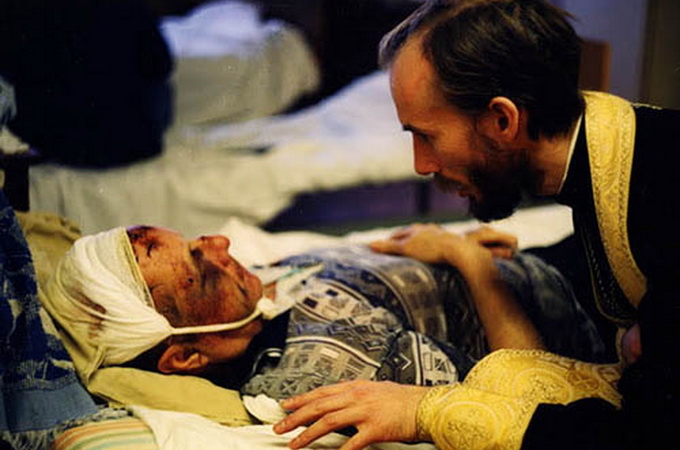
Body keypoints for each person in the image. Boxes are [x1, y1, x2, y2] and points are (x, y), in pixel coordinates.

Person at [272, 0, 680, 449]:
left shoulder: (664, 192)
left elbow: (647, 434)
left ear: (502, 120)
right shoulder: (613, 162)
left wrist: (424, 411)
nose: (421, 165)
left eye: (426, 135)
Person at [41, 224, 605, 415]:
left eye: (195, 240)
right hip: (588, 312)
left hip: (527, 264)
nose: (221, 244)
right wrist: (469, 264)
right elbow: (531, 393)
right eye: (202, 267)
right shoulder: (324, 371)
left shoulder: (248, 304)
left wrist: (431, 248)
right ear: (185, 355)